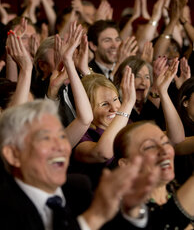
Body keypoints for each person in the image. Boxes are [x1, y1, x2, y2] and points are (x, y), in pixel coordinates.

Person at [0, 99, 159, 230]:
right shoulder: (5, 208)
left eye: (62, 136)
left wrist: (131, 210)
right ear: (14, 154)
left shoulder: (78, 188)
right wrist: (95, 216)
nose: (61, 147)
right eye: (46, 138)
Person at [112, 121, 194, 229]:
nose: (164, 150)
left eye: (165, 142)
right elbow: (164, 222)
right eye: (149, 147)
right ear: (126, 164)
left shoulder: (176, 188)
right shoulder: (122, 212)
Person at [70, 67, 136, 187]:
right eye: (104, 104)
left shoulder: (127, 123)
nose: (114, 108)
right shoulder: (83, 137)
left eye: (116, 99)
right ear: (87, 108)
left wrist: (163, 92)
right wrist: (127, 104)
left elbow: (174, 139)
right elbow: (103, 153)